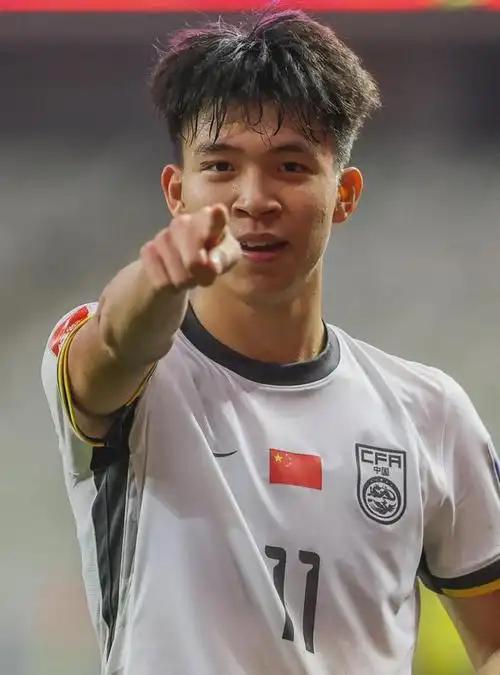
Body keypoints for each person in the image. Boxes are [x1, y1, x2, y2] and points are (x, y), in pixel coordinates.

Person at [41, 9, 500, 675]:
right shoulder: (135, 374)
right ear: (177, 192)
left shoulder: (431, 412)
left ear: (344, 194)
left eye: (290, 165)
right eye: (221, 165)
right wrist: (158, 277)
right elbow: (114, 344)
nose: (254, 199)